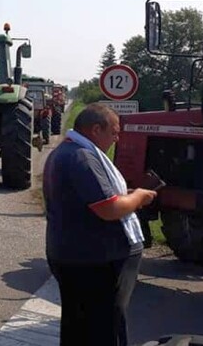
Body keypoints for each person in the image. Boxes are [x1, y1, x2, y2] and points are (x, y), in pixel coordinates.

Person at [43, 103, 158, 346]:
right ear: (96, 129)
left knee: (78, 326)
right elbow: (109, 209)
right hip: (94, 259)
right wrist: (138, 198)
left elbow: (92, 197)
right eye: (114, 132)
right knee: (102, 329)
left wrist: (126, 194)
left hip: (75, 254)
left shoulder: (67, 152)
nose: (117, 138)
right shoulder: (82, 157)